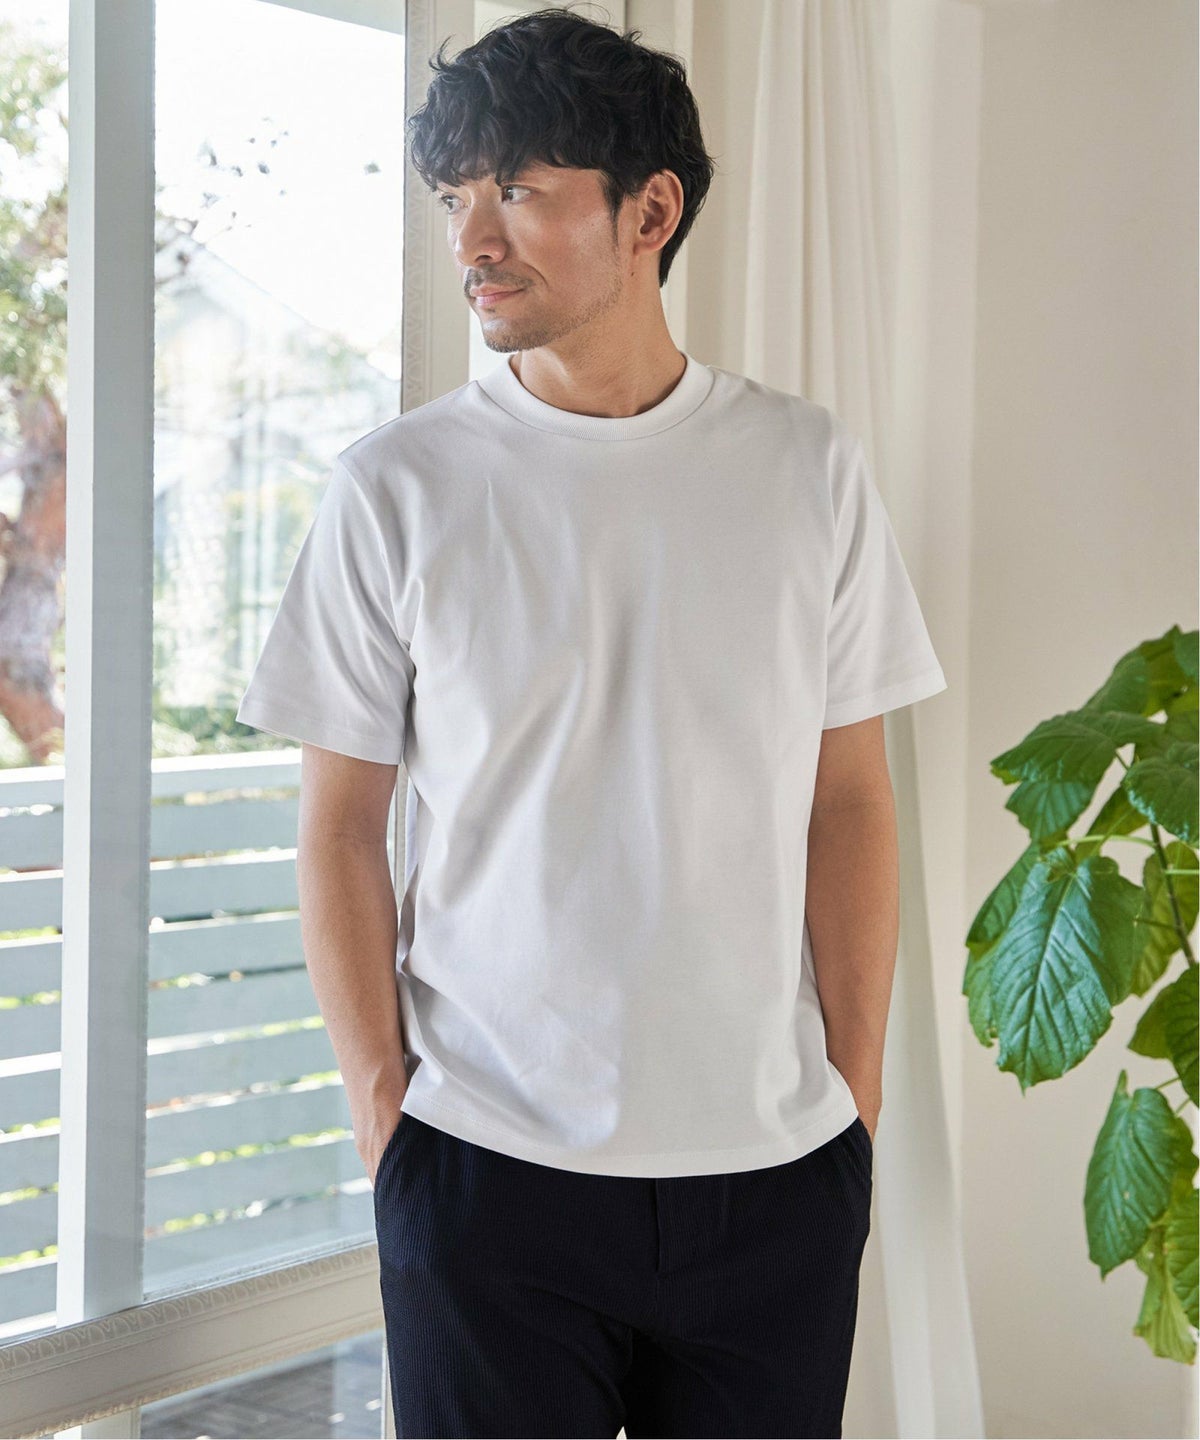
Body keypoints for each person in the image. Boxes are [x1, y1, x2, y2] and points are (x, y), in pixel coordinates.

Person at [235, 7, 947, 1437]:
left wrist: (854, 1107)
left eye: (518, 189)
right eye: (455, 195)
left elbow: (851, 801)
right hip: (485, 1172)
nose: (472, 237)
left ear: (650, 213)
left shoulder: (805, 467)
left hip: (777, 1176)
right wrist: (388, 1124)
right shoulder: (397, 488)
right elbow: (340, 828)